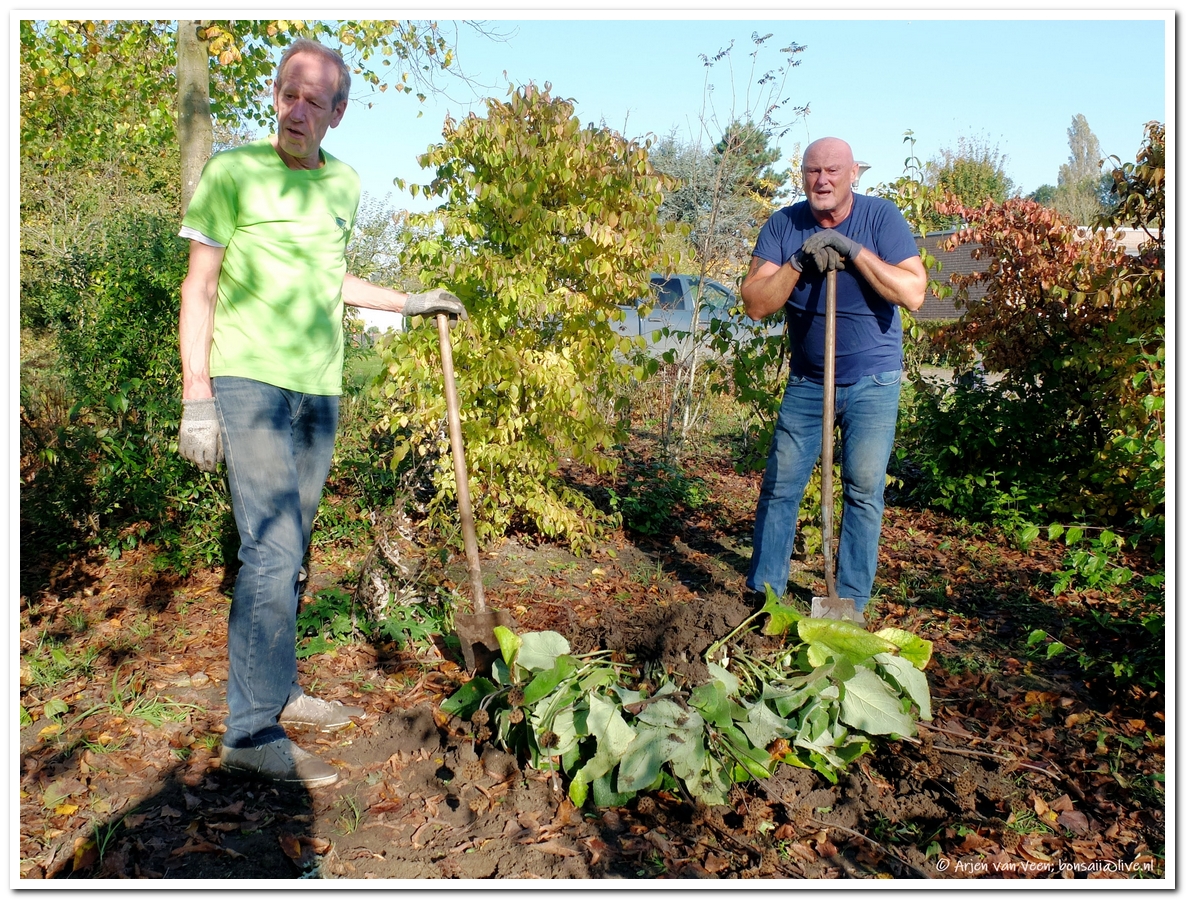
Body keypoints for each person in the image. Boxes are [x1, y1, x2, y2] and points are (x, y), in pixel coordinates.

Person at [176, 38, 467, 788]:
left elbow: (328, 276)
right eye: (287, 94)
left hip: (319, 386)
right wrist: (197, 397)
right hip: (249, 380)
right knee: (270, 549)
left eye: (313, 100)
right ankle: (249, 732)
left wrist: (408, 301)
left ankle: (280, 690)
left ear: (338, 112)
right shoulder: (232, 172)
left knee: (293, 548)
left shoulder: (344, 184)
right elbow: (200, 285)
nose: (296, 111)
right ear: (275, 97)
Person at [741, 137, 925, 625]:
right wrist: (797, 262)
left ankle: (849, 606)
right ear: (803, 175)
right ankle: (765, 599)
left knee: (863, 490)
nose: (822, 180)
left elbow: (913, 293)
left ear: (853, 174)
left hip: (873, 381)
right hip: (809, 381)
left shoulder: (881, 217)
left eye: (833, 170)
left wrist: (853, 251)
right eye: (813, 171)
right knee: (781, 485)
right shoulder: (784, 224)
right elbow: (756, 303)